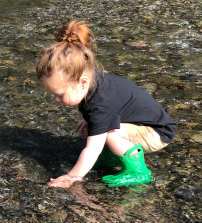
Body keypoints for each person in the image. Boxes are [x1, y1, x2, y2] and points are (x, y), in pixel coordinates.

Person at [36, 20, 177, 188]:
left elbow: (92, 148)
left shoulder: (99, 106)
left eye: (59, 95)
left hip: (158, 133)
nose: (56, 100)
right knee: (98, 126)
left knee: (108, 132)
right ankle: (113, 156)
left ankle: (138, 171)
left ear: (82, 82)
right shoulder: (94, 84)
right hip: (145, 123)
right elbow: (113, 108)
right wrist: (90, 120)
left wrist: (72, 177)